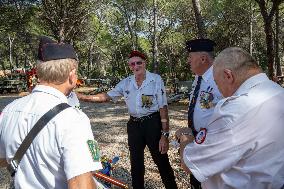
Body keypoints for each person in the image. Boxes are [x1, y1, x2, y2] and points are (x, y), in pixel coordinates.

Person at [0, 36, 103, 189]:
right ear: (72, 76)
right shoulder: (73, 119)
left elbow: (3, 159)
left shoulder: (9, 110)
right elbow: (81, 185)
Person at [177, 47, 284, 189]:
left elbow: (189, 164)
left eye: (216, 82)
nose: (218, 88)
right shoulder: (278, 92)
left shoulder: (234, 112)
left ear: (228, 76)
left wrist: (185, 136)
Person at [77, 50, 177, 189]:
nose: (135, 66)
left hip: (152, 123)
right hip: (134, 125)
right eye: (132, 64)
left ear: (145, 63)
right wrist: (82, 97)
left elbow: (163, 107)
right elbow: (107, 96)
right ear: (129, 66)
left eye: (139, 63)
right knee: (136, 163)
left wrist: (164, 135)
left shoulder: (155, 79)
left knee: (161, 160)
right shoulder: (126, 83)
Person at [175, 38, 223, 189]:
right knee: (196, 180)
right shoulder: (198, 77)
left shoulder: (220, 78)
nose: (188, 61)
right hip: (195, 139)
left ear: (203, 58)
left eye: (190, 57)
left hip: (212, 143)